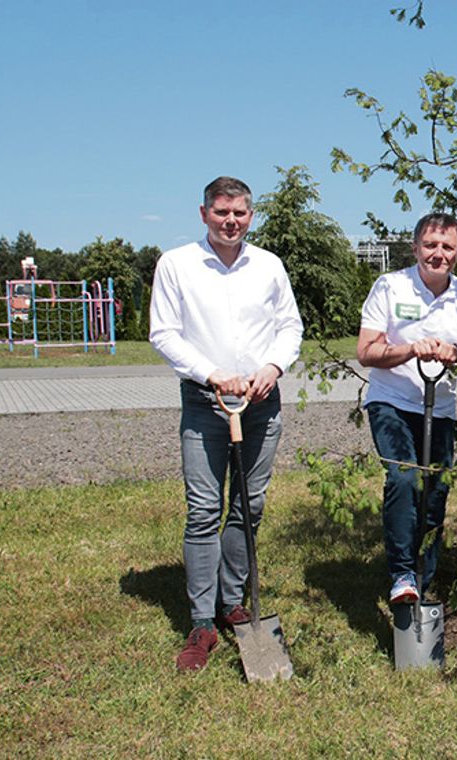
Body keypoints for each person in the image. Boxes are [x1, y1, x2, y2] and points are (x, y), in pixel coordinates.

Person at [149, 176, 303, 673]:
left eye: (239, 213)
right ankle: (201, 622)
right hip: (205, 402)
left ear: (250, 216)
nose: (231, 221)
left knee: (247, 506)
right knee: (202, 510)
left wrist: (272, 368)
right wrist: (211, 374)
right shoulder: (177, 265)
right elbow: (164, 333)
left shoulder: (270, 266)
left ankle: (232, 600)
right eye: (221, 212)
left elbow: (290, 328)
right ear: (204, 214)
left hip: (261, 402)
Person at [357, 212, 457, 604]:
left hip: (440, 408)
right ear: (415, 247)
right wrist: (409, 349)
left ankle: (424, 578)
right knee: (402, 478)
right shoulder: (391, 286)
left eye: (447, 247)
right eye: (430, 245)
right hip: (392, 402)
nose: (438, 254)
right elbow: (366, 351)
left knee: (435, 492)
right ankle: (402, 574)